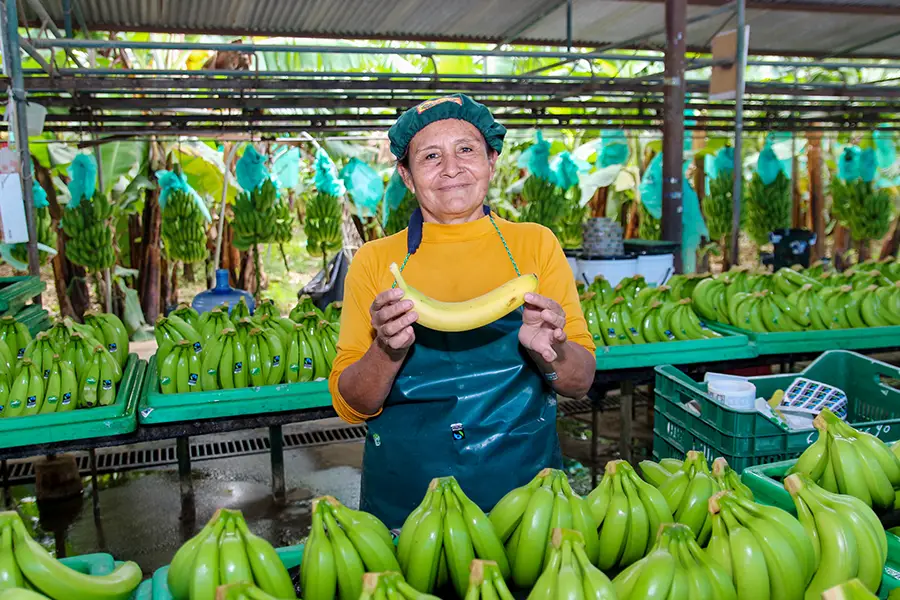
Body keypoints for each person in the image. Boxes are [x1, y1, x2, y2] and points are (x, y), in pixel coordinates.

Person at [327, 93, 596, 528]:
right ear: (407, 177)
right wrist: (386, 351)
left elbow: (580, 382)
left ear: (491, 161)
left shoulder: (534, 245)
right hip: (408, 500)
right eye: (431, 155)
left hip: (523, 493)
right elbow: (351, 404)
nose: (451, 168)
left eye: (466, 150)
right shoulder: (377, 262)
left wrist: (550, 352)